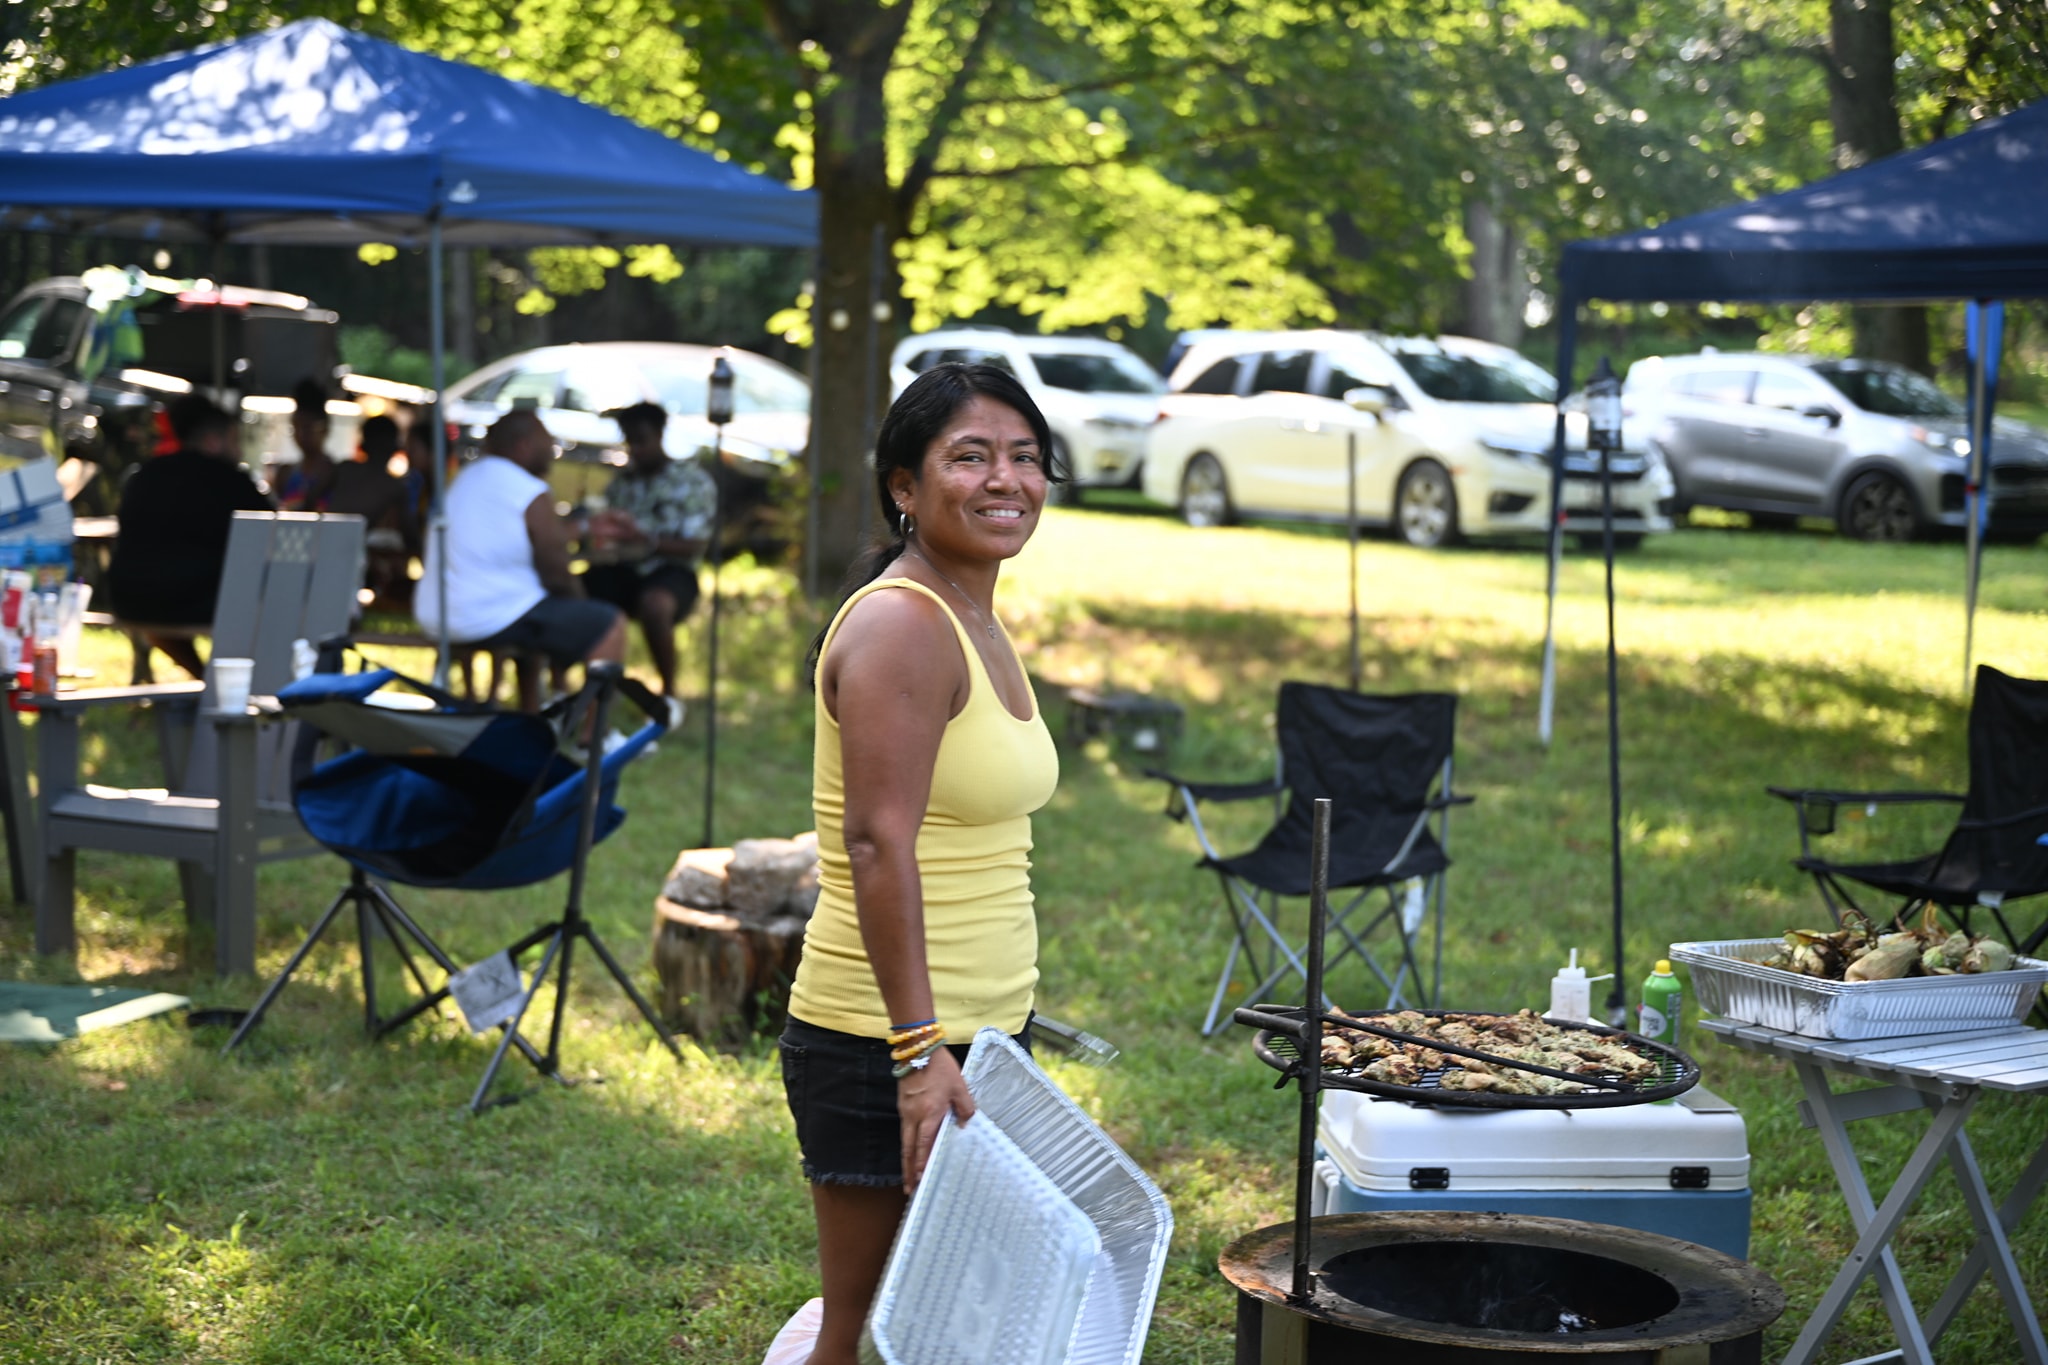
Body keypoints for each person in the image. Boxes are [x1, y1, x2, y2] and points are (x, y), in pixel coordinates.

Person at [780, 363, 1062, 1365]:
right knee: (863, 1334)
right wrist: (914, 1054)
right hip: (883, 1042)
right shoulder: (903, 623)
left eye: (1025, 458)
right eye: (971, 456)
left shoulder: (975, 614)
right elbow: (875, 842)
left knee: (948, 1325)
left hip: (976, 1035)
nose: (1006, 481)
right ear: (903, 485)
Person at [417, 409, 625, 712]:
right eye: (546, 441)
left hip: (436, 613)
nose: (552, 449)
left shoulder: (466, 479)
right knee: (608, 625)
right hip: (483, 618)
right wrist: (578, 608)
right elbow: (557, 573)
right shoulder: (528, 490)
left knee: (534, 617)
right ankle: (592, 737)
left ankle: (531, 717)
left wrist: (583, 527)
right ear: (524, 445)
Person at [106, 394, 275, 679]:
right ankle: (226, 683)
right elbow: (272, 532)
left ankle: (207, 679)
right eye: (234, 440)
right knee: (264, 598)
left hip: (128, 597)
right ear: (213, 441)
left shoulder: (145, 475)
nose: (238, 450)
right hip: (196, 600)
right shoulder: (230, 481)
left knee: (161, 608)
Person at [580, 401, 714, 705]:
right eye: (630, 441)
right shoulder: (621, 485)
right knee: (576, 595)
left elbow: (696, 544)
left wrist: (647, 541)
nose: (635, 450)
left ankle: (668, 694)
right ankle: (580, 692)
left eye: (641, 440)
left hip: (672, 570)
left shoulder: (692, 482)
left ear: (660, 434)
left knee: (655, 605)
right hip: (621, 568)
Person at [272, 378, 335, 510]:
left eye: (307, 428)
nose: (301, 435)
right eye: (296, 427)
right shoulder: (285, 473)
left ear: (325, 429)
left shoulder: (335, 473)